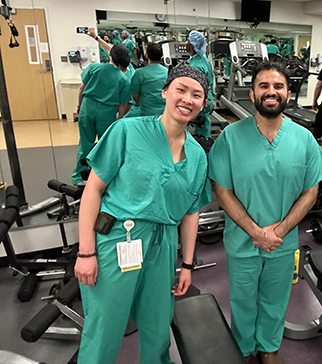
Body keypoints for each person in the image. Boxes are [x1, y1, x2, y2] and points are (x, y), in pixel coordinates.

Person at [74, 65, 212, 364]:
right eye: (181, 89)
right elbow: (93, 191)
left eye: (197, 94)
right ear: (165, 92)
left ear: (203, 103)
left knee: (157, 324)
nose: (188, 99)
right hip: (117, 239)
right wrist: (86, 252)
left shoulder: (198, 155)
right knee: (105, 327)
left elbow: (190, 214)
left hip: (162, 247)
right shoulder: (127, 130)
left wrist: (187, 265)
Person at [208, 61, 322, 363]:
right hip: (243, 242)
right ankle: (244, 346)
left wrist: (278, 231)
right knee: (241, 300)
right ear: (251, 94)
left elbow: (310, 191)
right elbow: (222, 191)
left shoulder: (302, 138)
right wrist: (255, 231)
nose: (271, 92)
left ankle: (269, 348)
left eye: (278, 86)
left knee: (276, 300)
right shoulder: (230, 137)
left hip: (282, 242)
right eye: (263, 86)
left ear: (289, 94)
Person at [71, 43, 132, 185]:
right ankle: (102, 176)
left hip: (88, 106)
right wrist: (120, 118)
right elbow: (123, 104)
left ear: (110, 55)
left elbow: (81, 88)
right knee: (105, 145)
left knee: (85, 142)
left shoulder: (94, 68)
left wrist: (80, 107)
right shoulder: (123, 79)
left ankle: (79, 177)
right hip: (107, 112)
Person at [186, 30, 215, 138]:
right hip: (207, 97)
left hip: (202, 99)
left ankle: (205, 146)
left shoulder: (196, 65)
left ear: (192, 45)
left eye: (187, 40)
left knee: (201, 126)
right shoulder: (203, 60)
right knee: (204, 124)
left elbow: (195, 87)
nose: (185, 42)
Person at [131, 42, 169, 117]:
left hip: (146, 114)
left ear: (146, 55)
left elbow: (135, 96)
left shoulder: (139, 73)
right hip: (164, 114)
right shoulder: (168, 72)